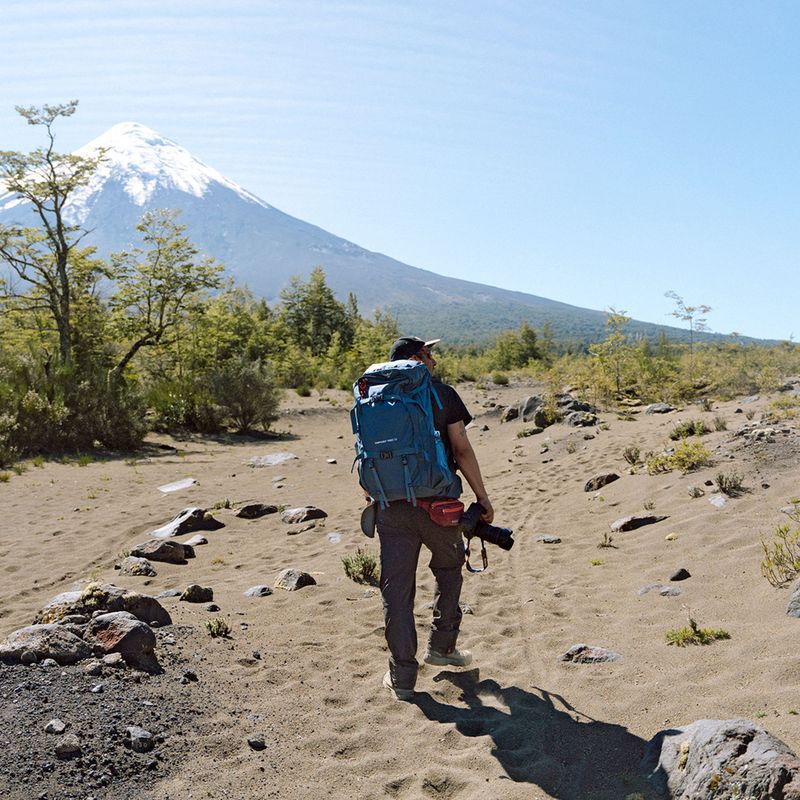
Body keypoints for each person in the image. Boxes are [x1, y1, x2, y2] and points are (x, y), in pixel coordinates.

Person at [377, 335, 494, 701]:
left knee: (396, 590)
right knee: (448, 568)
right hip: (438, 506)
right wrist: (482, 497)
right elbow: (460, 449)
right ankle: (441, 647)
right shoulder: (442, 394)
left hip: (390, 507)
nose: (434, 362)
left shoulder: (373, 396)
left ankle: (402, 677)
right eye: (429, 354)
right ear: (416, 359)